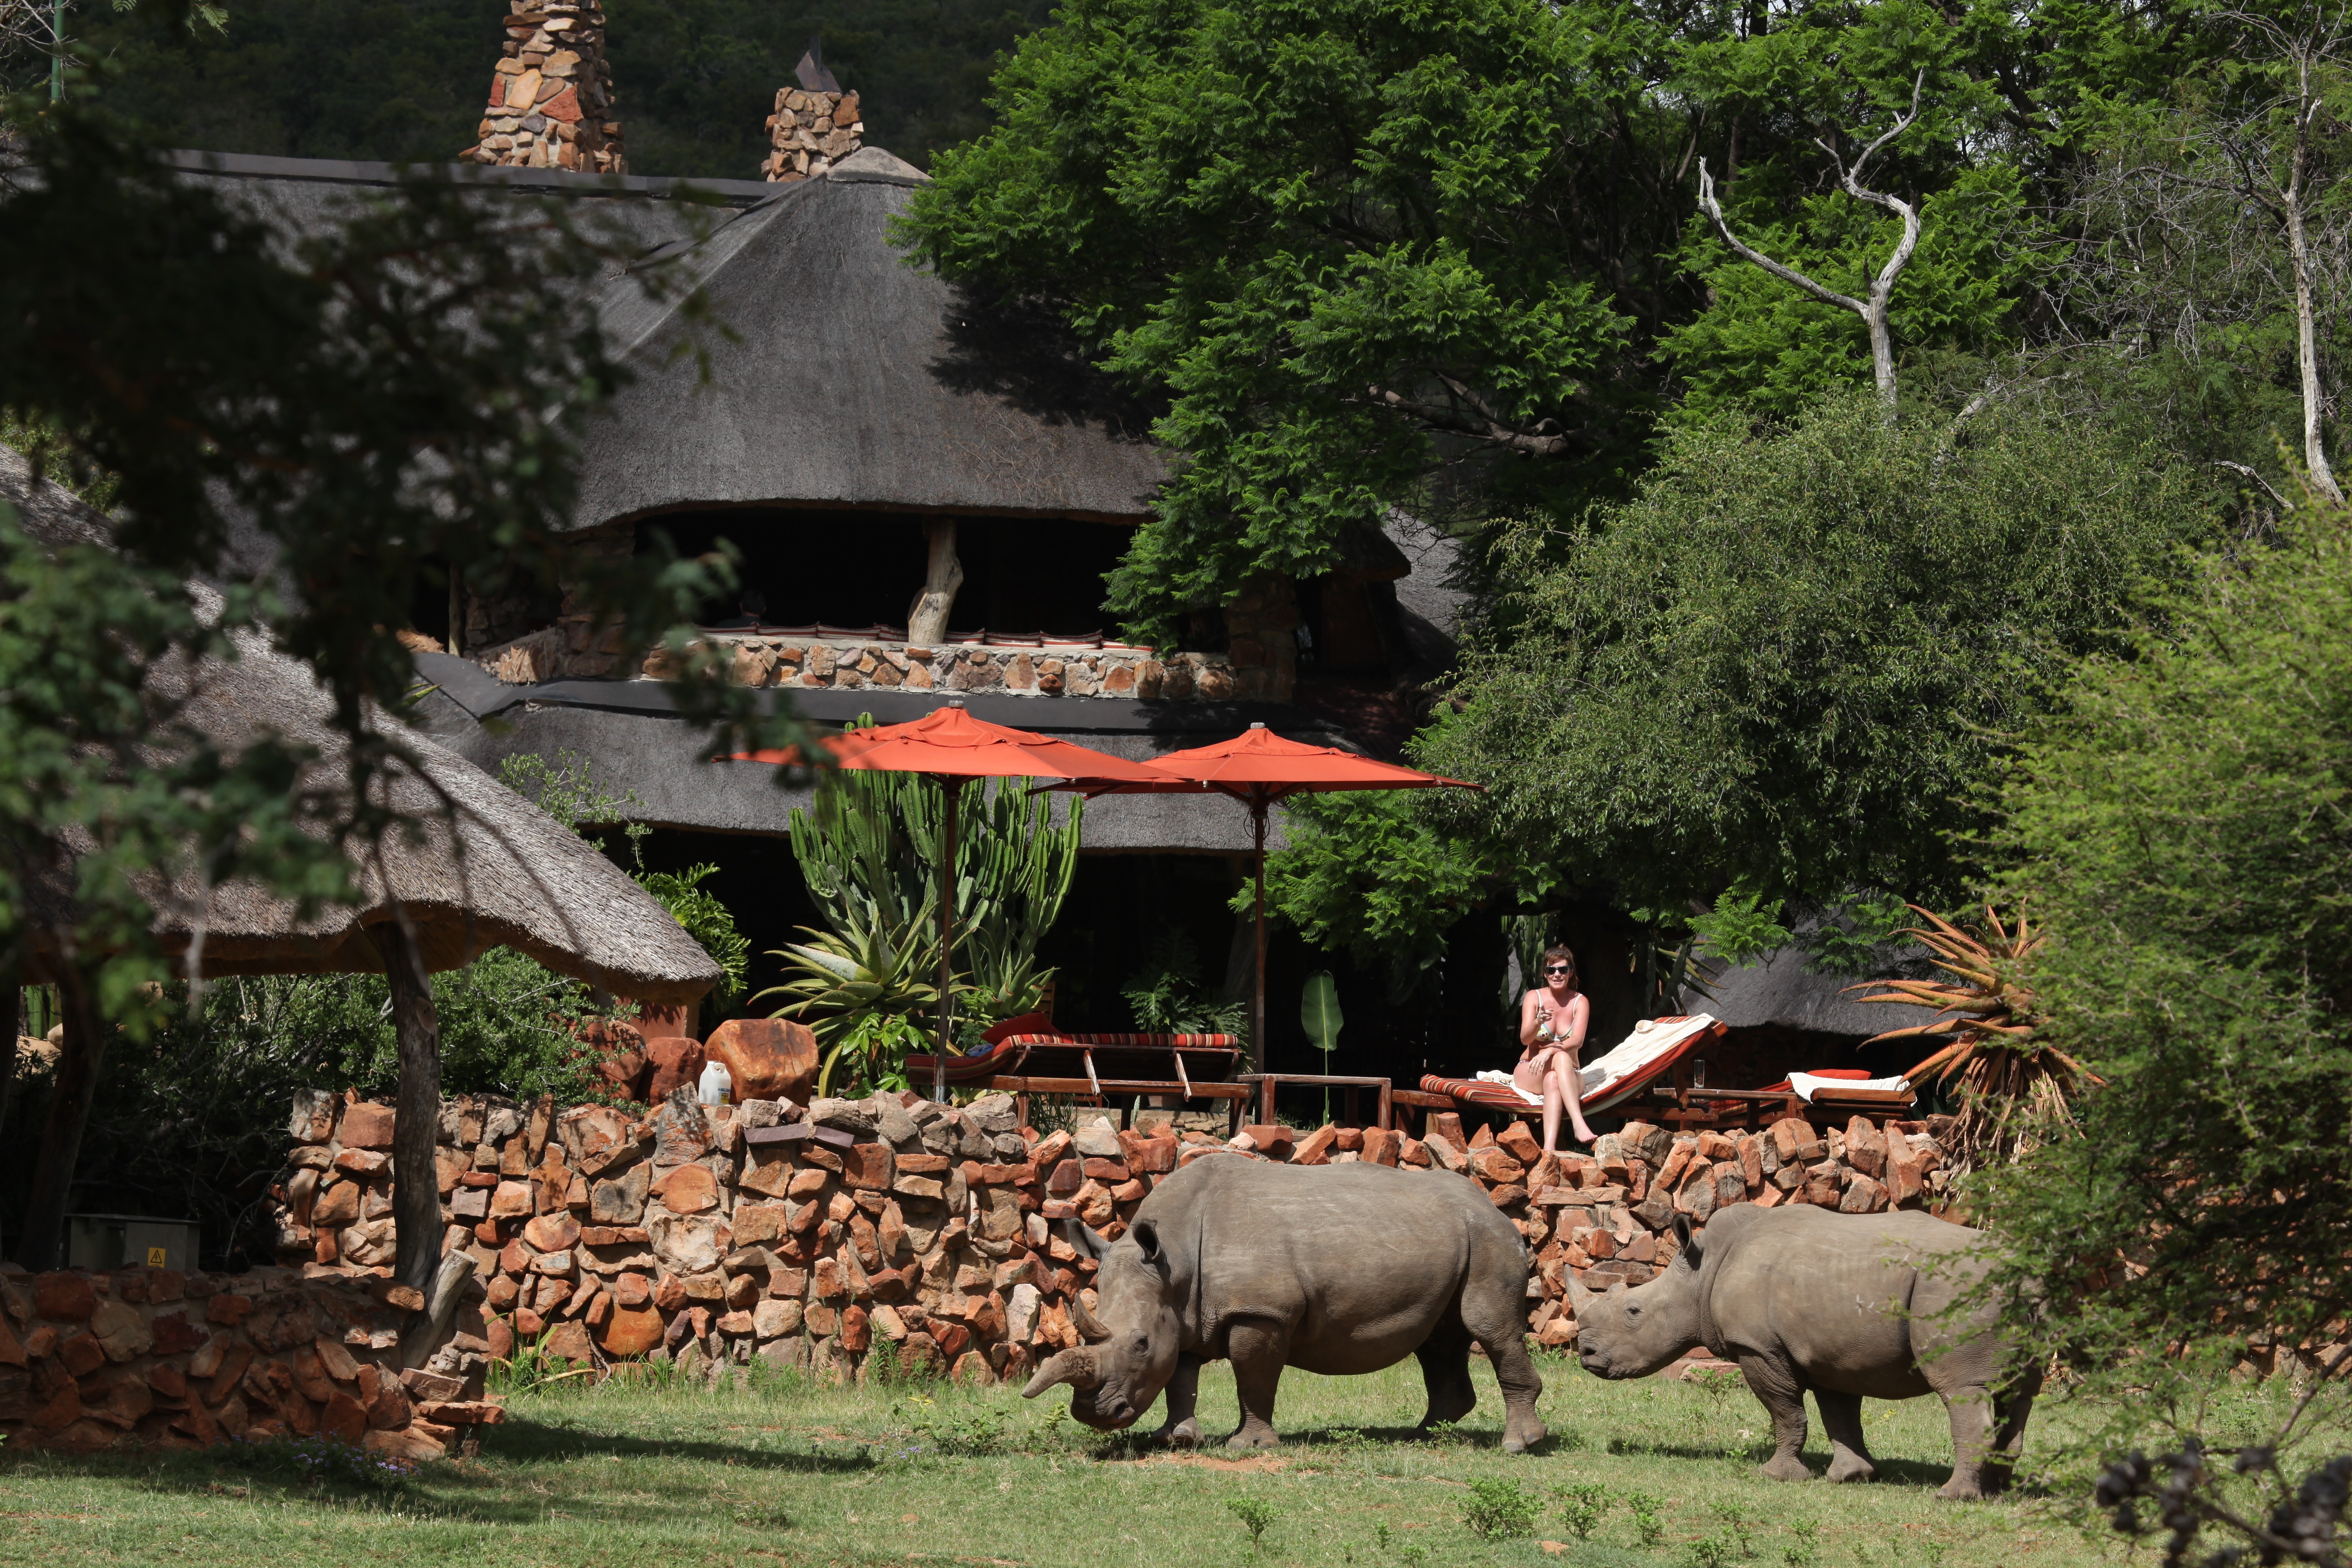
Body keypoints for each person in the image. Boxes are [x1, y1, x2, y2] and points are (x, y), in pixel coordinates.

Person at [1515, 944, 1595, 1153]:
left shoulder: (1580, 1002)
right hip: (1532, 1069)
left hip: (1569, 1073)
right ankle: (1579, 1123)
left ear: (1571, 973)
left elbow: (1577, 1041)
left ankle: (1549, 1149)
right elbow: (1525, 1039)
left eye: (1563, 969)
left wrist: (1551, 1050)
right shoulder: (1535, 997)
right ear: (1545, 973)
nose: (1557, 974)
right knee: (1560, 1058)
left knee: (1555, 1075)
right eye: (1551, 970)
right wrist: (1537, 1022)